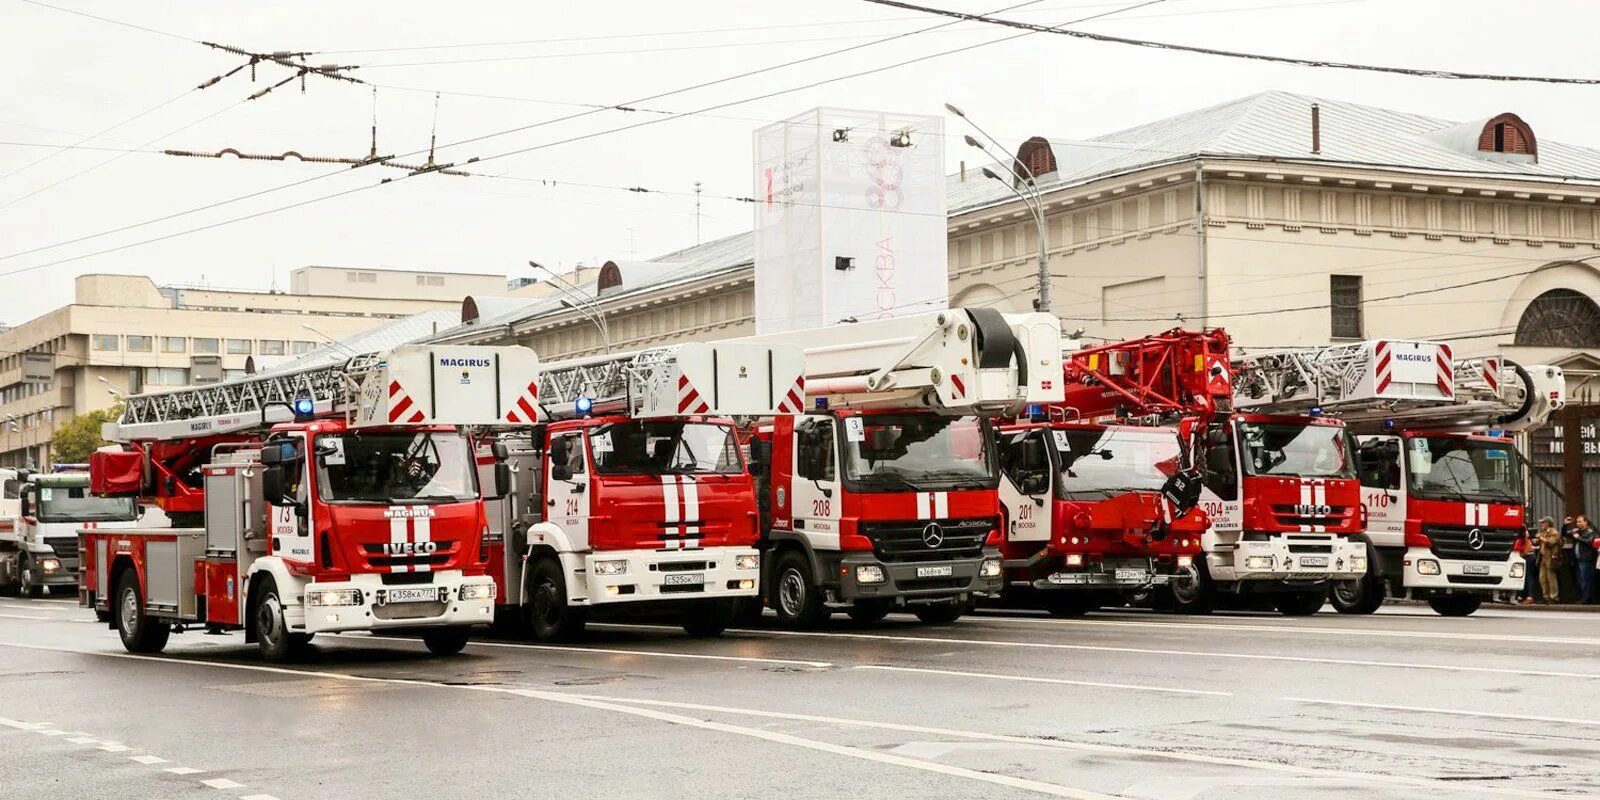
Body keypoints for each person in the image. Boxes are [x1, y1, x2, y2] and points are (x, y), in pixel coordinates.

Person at [1536, 517, 1564, 605]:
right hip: (1543, 558)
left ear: (1548, 523)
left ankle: (1554, 597)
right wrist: (1536, 539)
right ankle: (1545, 596)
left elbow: (1550, 542)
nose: (1541, 524)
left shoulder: (1554, 532)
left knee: (1551, 578)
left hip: (1551, 558)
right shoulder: (1543, 532)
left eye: (1543, 522)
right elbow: (1536, 542)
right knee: (1542, 578)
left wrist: (1540, 538)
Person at [1571, 513, 1598, 605]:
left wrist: (1579, 538)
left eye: (1580, 521)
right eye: (1577, 522)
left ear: (1585, 522)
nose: (1578, 523)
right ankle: (1584, 597)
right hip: (1578, 559)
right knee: (1580, 580)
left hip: (1586, 559)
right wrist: (1565, 525)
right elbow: (1565, 534)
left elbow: (1590, 542)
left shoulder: (1590, 532)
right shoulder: (1578, 532)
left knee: (1586, 580)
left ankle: (1586, 599)